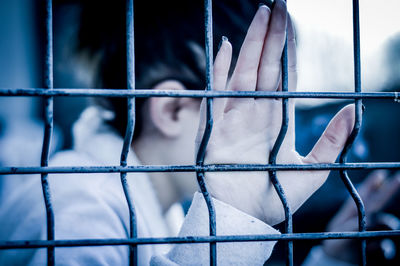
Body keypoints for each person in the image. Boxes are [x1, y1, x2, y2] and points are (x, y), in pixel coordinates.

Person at [0, 0, 356, 265]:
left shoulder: (154, 204)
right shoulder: (80, 211)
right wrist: (231, 221)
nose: (274, 131)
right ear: (170, 109)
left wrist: (330, 260)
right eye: (246, 105)